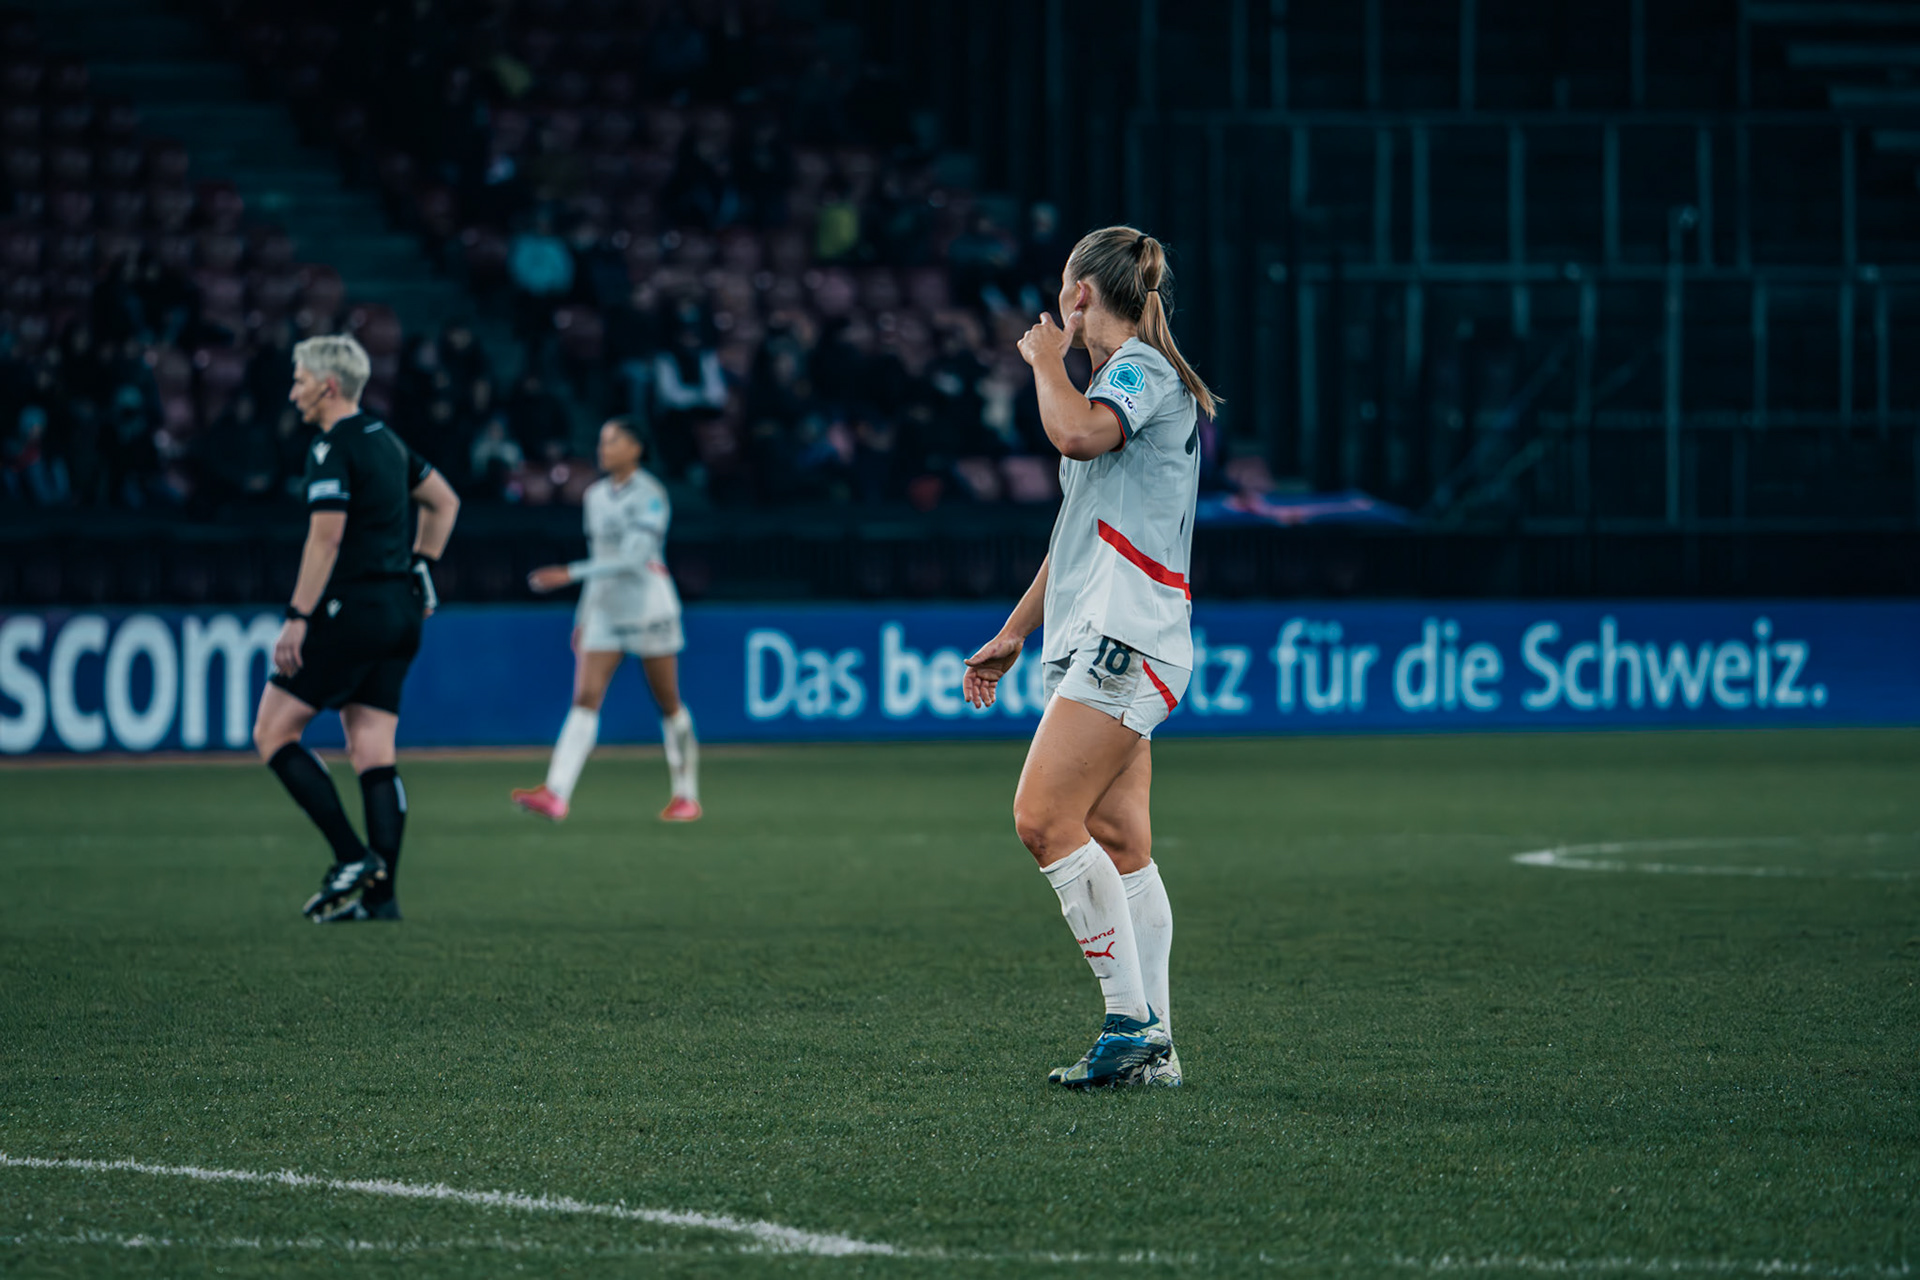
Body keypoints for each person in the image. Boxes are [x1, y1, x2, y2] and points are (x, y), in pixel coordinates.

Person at [961, 227, 1218, 1089]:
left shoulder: (1138, 372)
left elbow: (1073, 437)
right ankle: (1161, 1051)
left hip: (1125, 634)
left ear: (1078, 296)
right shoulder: (1123, 380)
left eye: (1061, 291)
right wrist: (1015, 629)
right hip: (1109, 631)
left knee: (1041, 818)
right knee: (1118, 837)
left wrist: (1042, 362)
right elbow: (1078, 534)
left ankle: (1128, 1019)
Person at [251, 335, 462, 923]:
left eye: (298, 379)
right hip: (399, 611)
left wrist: (298, 617)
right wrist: (423, 564)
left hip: (353, 610)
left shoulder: (331, 448)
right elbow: (446, 502)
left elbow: (327, 538)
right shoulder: (388, 442)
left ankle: (351, 857)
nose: (292, 391)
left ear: (328, 384)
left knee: (273, 731)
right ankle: (382, 898)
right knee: (372, 749)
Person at [513, 417, 701, 823]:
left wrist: (570, 573)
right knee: (585, 699)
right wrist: (583, 616)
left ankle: (686, 794)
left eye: (614, 441)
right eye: (602, 441)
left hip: (649, 608)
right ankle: (556, 793)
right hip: (605, 610)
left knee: (668, 703)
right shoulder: (595, 495)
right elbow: (602, 553)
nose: (604, 448)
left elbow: (634, 559)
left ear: (636, 448)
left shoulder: (651, 496)